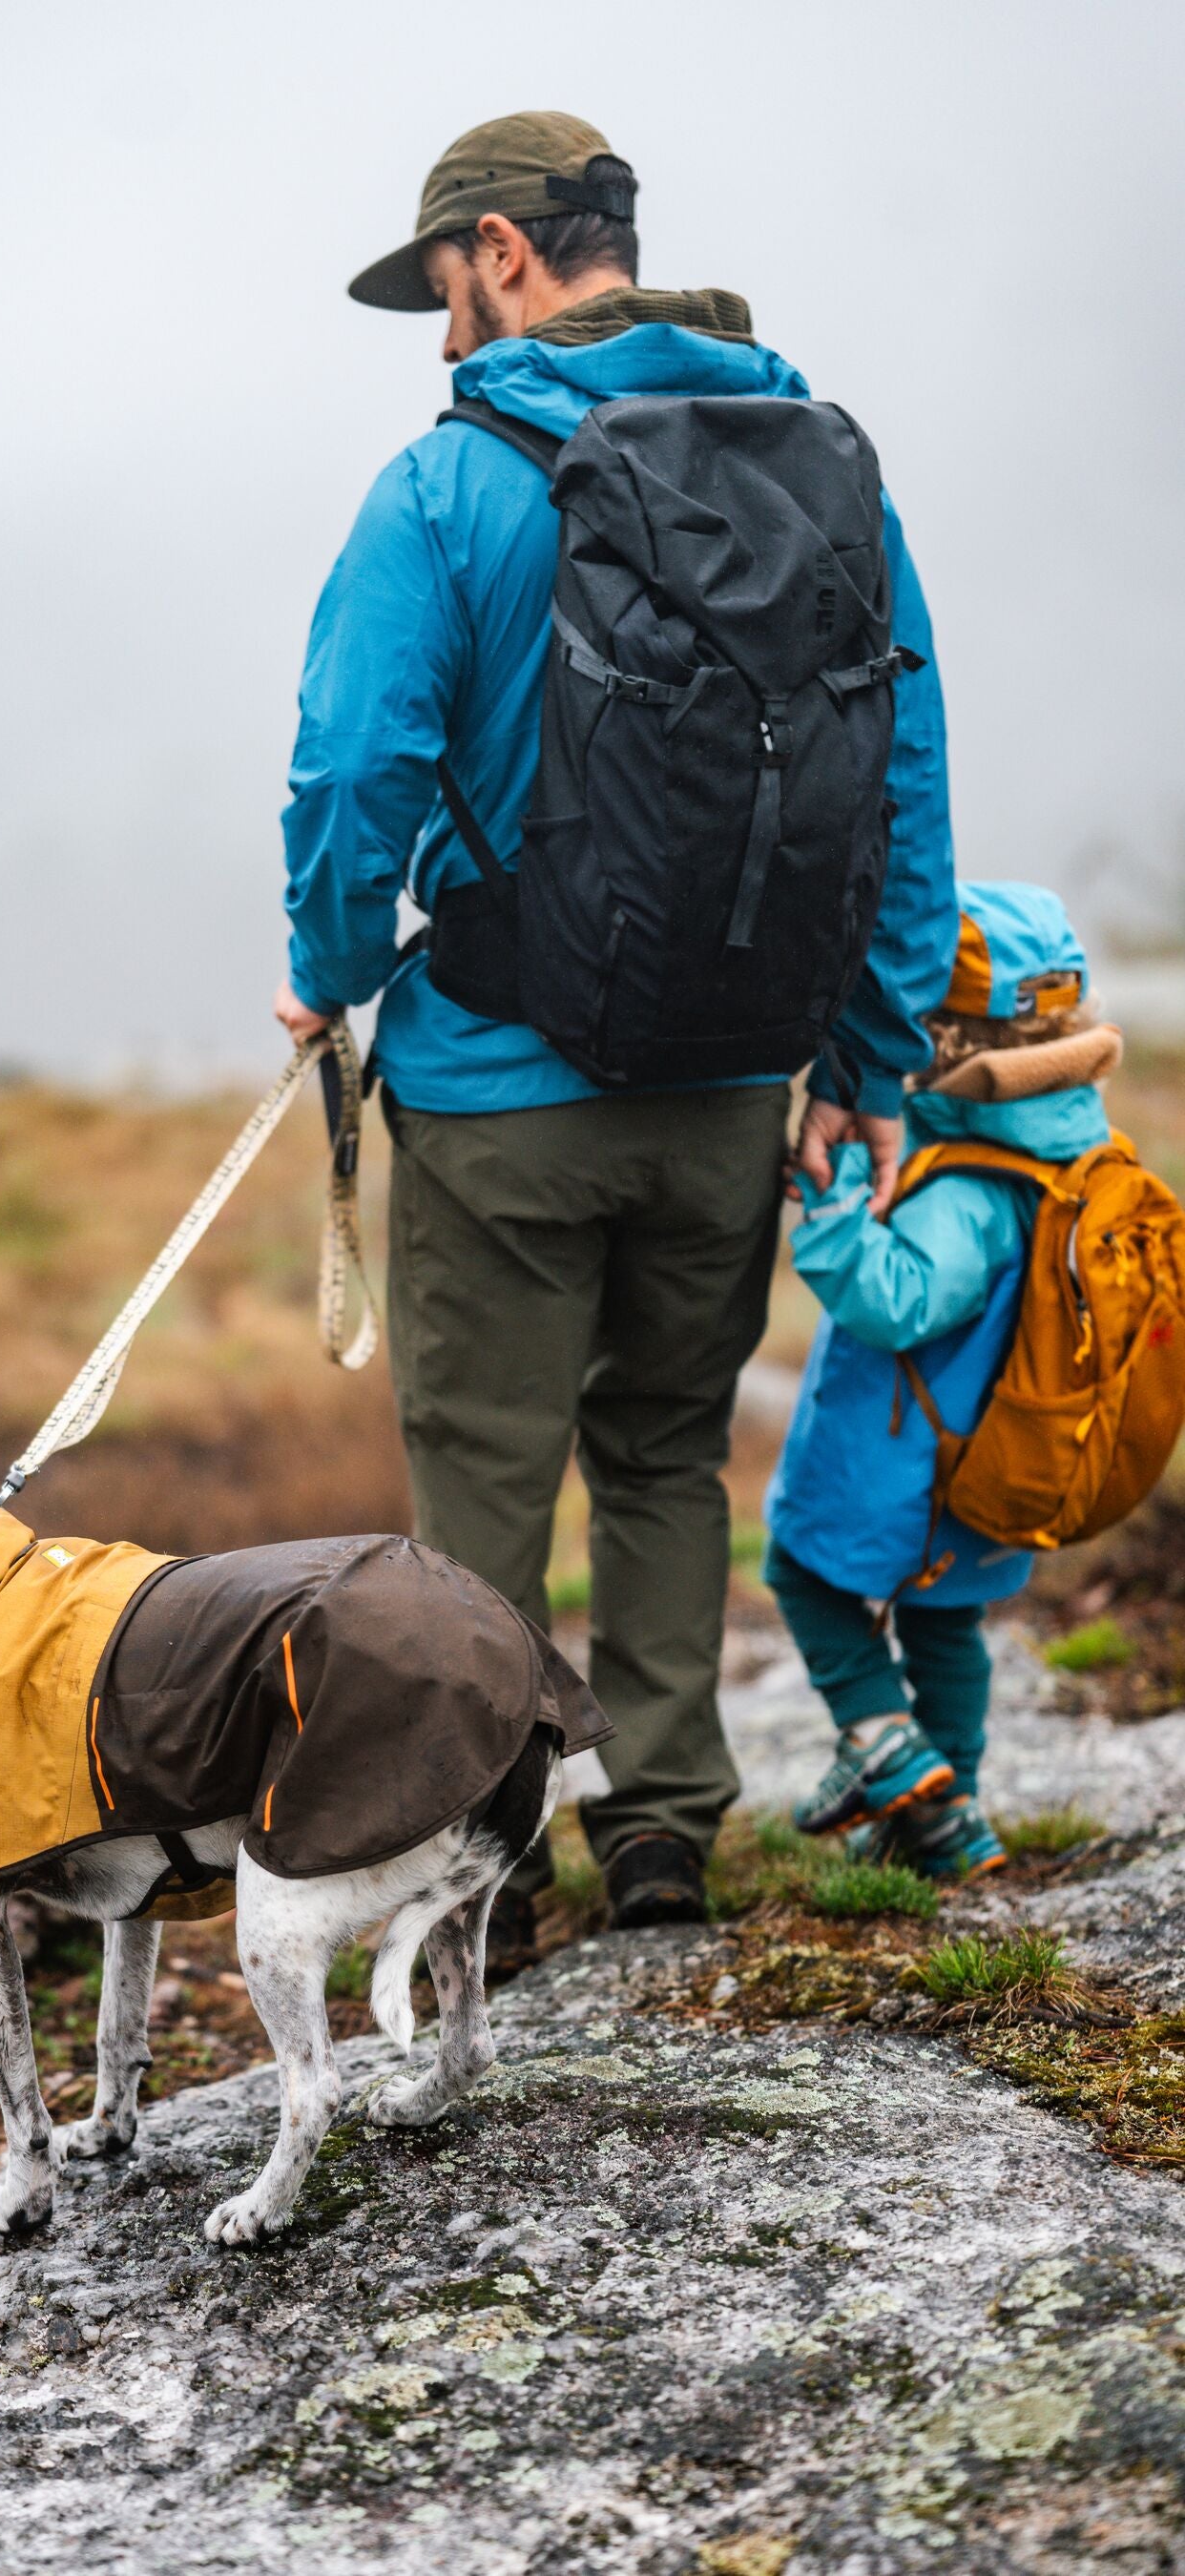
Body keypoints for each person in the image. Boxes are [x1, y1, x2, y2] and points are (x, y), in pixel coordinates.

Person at [273, 111, 957, 1946]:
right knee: (665, 1452)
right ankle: (663, 1829)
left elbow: (358, 766)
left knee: (484, 1481)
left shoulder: (446, 483)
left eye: (440, 287)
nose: (440, 336)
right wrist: (872, 1064)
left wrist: (331, 963)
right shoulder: (822, 466)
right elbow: (900, 777)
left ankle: (486, 1863)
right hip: (736, 1084)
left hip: (502, 1089)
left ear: (501, 251)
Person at [766, 883, 1121, 1880]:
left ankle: (884, 1743)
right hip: (1002, 1458)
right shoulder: (1077, 1155)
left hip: (908, 1463)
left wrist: (830, 1211)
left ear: (944, 1040)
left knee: (804, 1575)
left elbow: (893, 1301)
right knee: (946, 1624)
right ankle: (950, 1816)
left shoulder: (968, 1190)